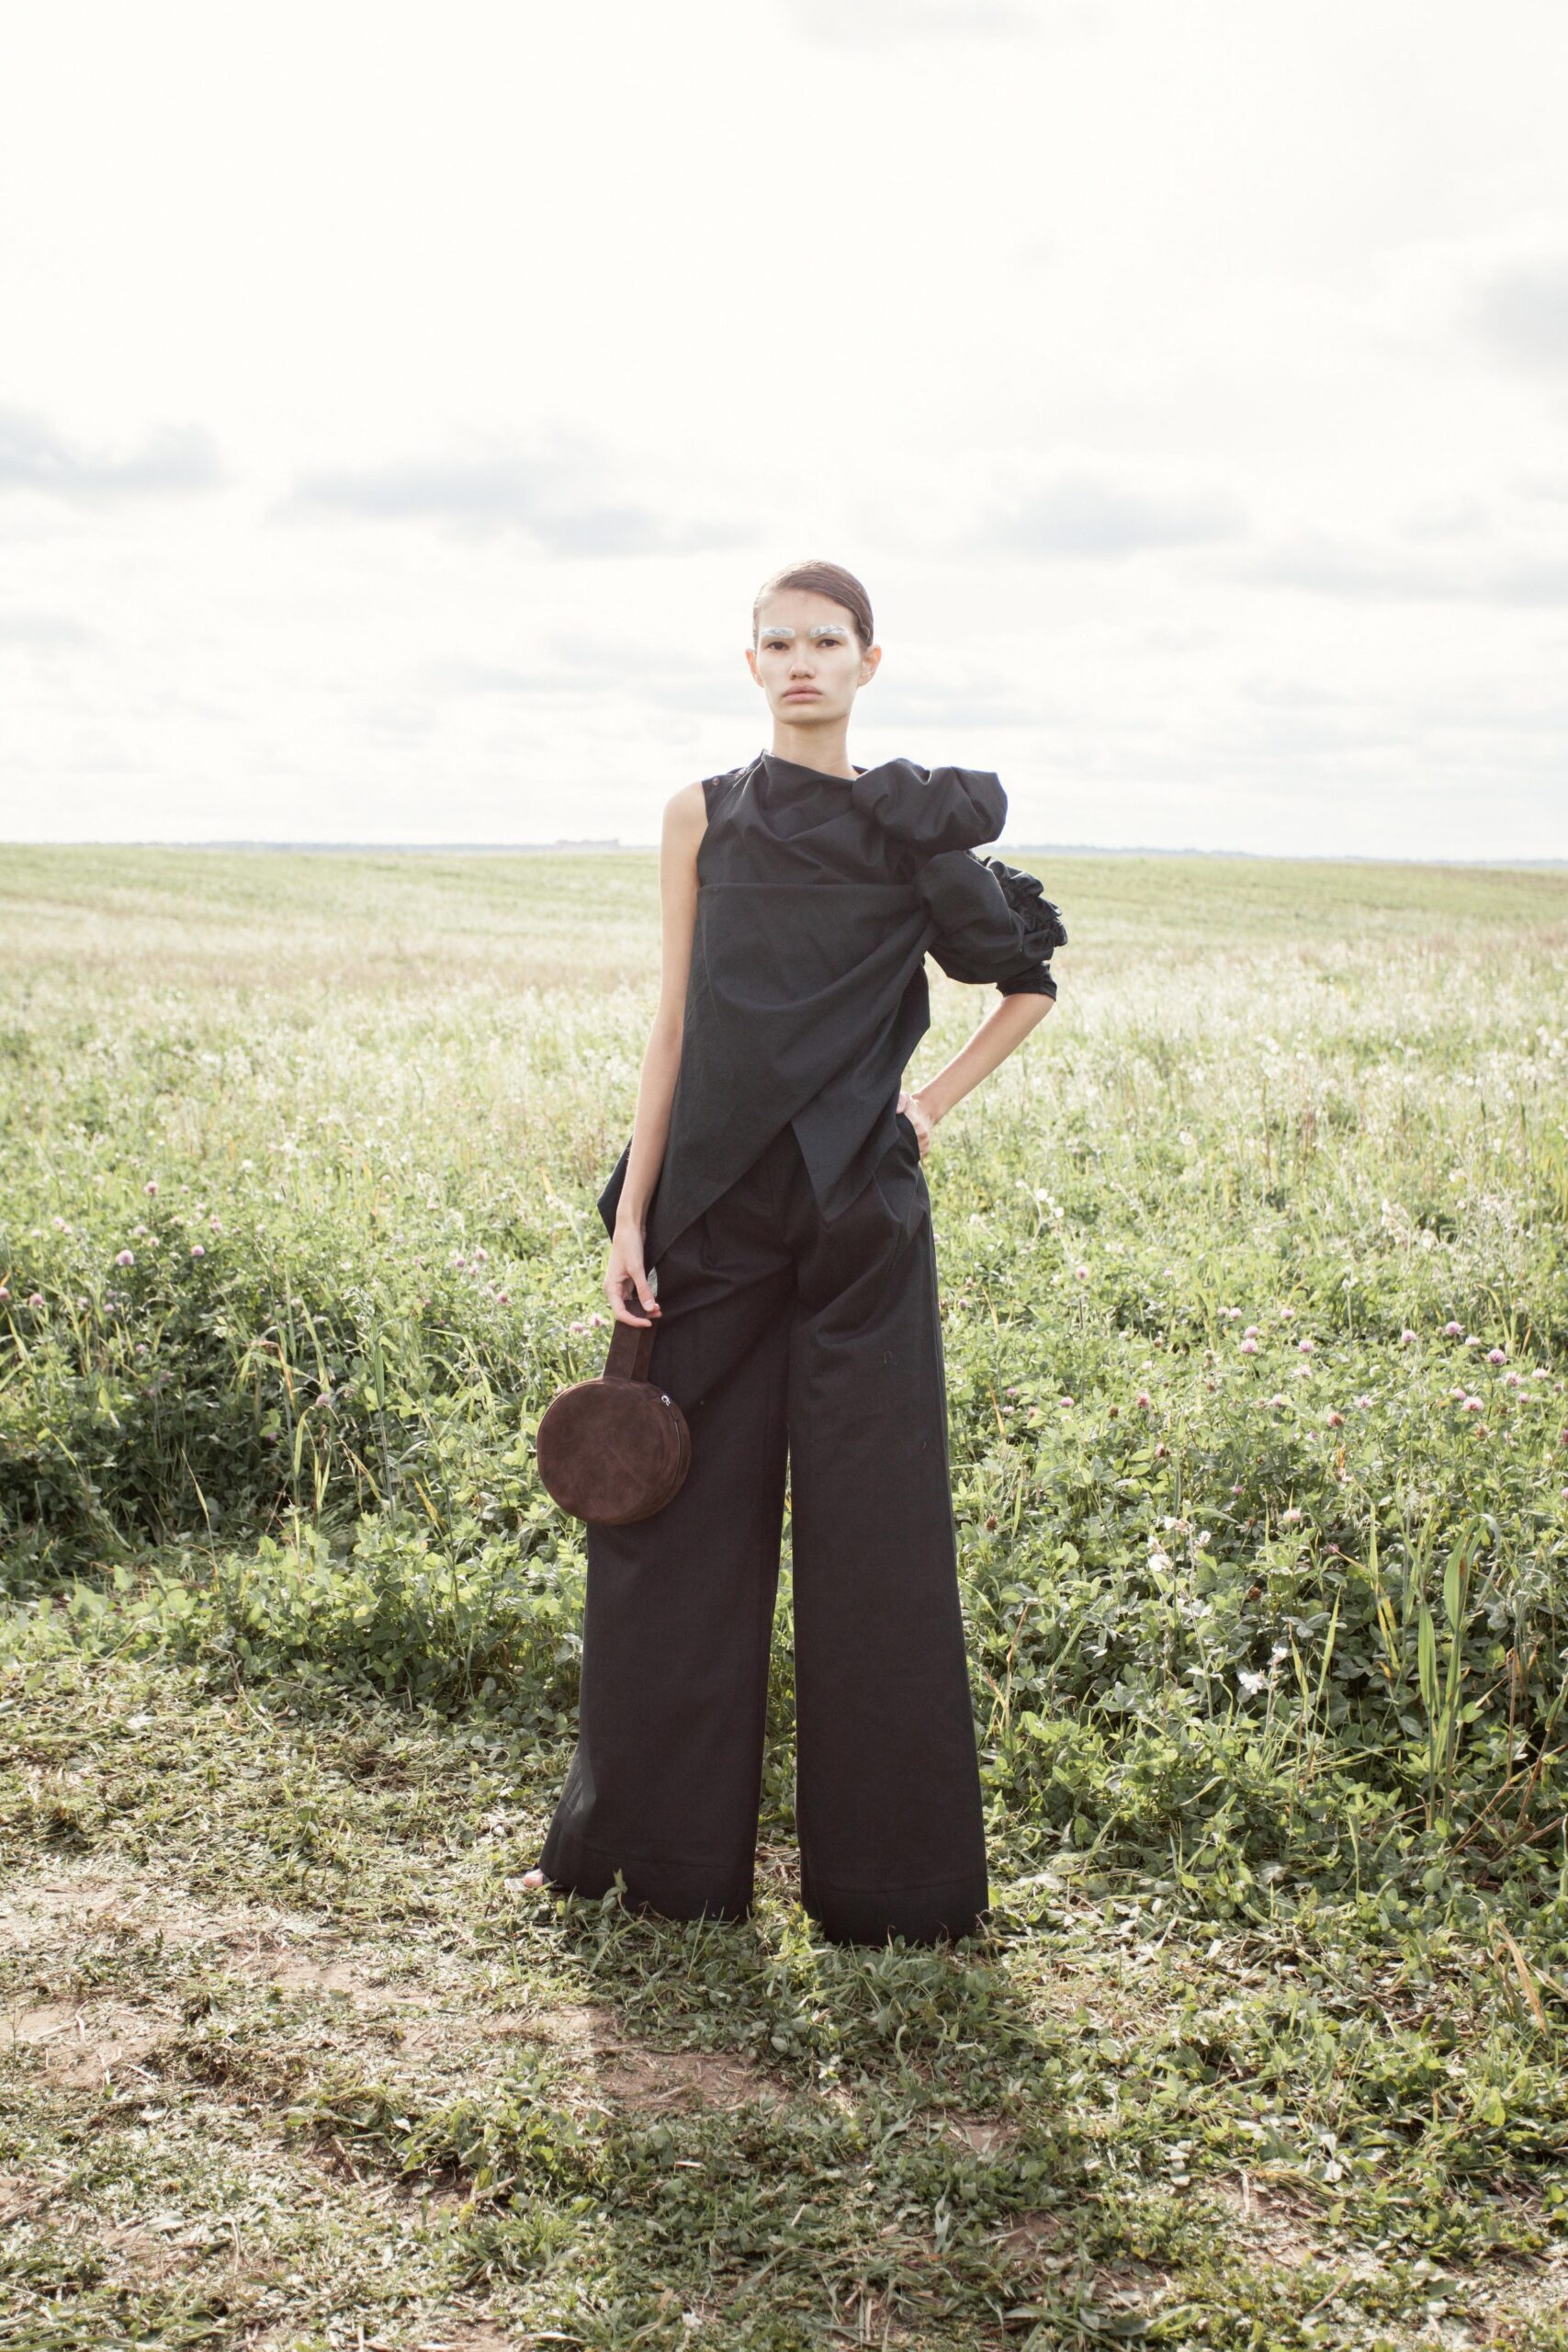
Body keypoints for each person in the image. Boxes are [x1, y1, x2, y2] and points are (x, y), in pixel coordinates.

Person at [524, 559, 1066, 1946]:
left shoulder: (911, 829)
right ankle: (659, 1864)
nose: (803, 662)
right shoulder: (699, 815)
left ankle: (895, 1897)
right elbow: (675, 1025)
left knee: (875, 1546)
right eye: (779, 643)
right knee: (663, 1525)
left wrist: (930, 1106)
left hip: (858, 1227)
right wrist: (633, 1214)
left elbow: (1025, 986)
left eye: (828, 641)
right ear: (750, 662)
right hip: (706, 1215)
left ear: (869, 663)